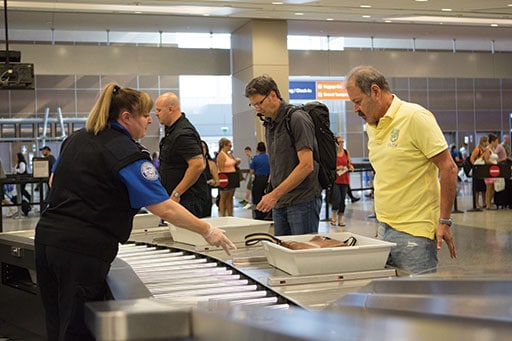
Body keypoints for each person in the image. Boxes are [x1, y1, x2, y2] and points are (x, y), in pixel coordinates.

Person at [34, 83, 236, 341]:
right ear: (126, 117)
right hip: (83, 249)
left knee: (56, 323)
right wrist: (208, 230)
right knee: (77, 329)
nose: (150, 120)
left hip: (47, 240)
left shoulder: (75, 139)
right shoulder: (126, 153)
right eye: (145, 115)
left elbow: (54, 181)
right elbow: (162, 206)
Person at [345, 65, 457, 274]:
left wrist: (444, 221)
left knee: (417, 303)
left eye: (357, 102)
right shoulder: (373, 125)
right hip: (385, 229)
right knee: (396, 302)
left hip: (415, 232)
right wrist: (383, 226)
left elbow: (449, 167)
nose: (355, 109)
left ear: (376, 91)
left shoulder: (415, 117)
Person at [245, 75, 322, 236]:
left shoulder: (296, 119)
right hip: (281, 202)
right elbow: (278, 162)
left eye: (259, 103)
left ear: (273, 95)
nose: (257, 109)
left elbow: (307, 165)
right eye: (253, 105)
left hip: (302, 201)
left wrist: (274, 194)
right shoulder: (269, 124)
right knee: (283, 253)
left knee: (302, 253)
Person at [155, 92, 209, 218]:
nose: (156, 114)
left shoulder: (182, 133)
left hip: (188, 199)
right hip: (180, 199)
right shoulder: (172, 131)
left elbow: (197, 165)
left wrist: (176, 194)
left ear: (170, 109)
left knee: (187, 237)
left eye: (158, 110)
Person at [330, 136, 355, 228]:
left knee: (342, 200)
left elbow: (348, 163)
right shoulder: (333, 153)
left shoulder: (345, 152)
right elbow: (330, 166)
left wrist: (350, 167)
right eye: (340, 142)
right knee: (336, 199)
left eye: (342, 142)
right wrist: (337, 168)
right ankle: (333, 218)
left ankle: (340, 219)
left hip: (344, 179)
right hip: (336, 179)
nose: (341, 144)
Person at [216, 137, 239, 216]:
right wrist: (222, 180)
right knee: (223, 198)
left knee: (230, 198)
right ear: (224, 146)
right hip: (225, 177)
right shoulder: (221, 155)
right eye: (229, 146)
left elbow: (233, 164)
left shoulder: (229, 155)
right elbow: (221, 169)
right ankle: (222, 215)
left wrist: (237, 162)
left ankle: (230, 214)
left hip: (232, 176)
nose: (230, 147)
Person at [249, 141, 270, 220]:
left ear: (257, 149)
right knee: (267, 196)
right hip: (268, 179)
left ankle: (259, 215)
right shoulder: (269, 157)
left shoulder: (256, 158)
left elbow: (252, 171)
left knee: (257, 197)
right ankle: (267, 213)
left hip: (258, 179)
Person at [201, 140, 219, 217]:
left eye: (204, 148)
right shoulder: (189, 164)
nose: (202, 150)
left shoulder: (211, 164)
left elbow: (217, 182)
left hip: (206, 196)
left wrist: (212, 182)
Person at [470, 136, 488, 208]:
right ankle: (476, 203)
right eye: (486, 141)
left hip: (483, 170)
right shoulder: (477, 149)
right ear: (483, 142)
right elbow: (472, 159)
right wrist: (475, 166)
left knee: (483, 188)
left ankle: (484, 202)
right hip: (478, 170)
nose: (487, 143)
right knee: (477, 189)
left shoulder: (485, 150)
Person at [483, 133, 499, 210]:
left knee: (493, 188)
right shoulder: (488, 150)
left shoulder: (493, 150)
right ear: (492, 142)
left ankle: (489, 202)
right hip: (489, 170)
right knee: (489, 188)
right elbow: (486, 160)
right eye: (496, 142)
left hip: (494, 171)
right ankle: (488, 204)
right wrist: (493, 164)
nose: (497, 143)